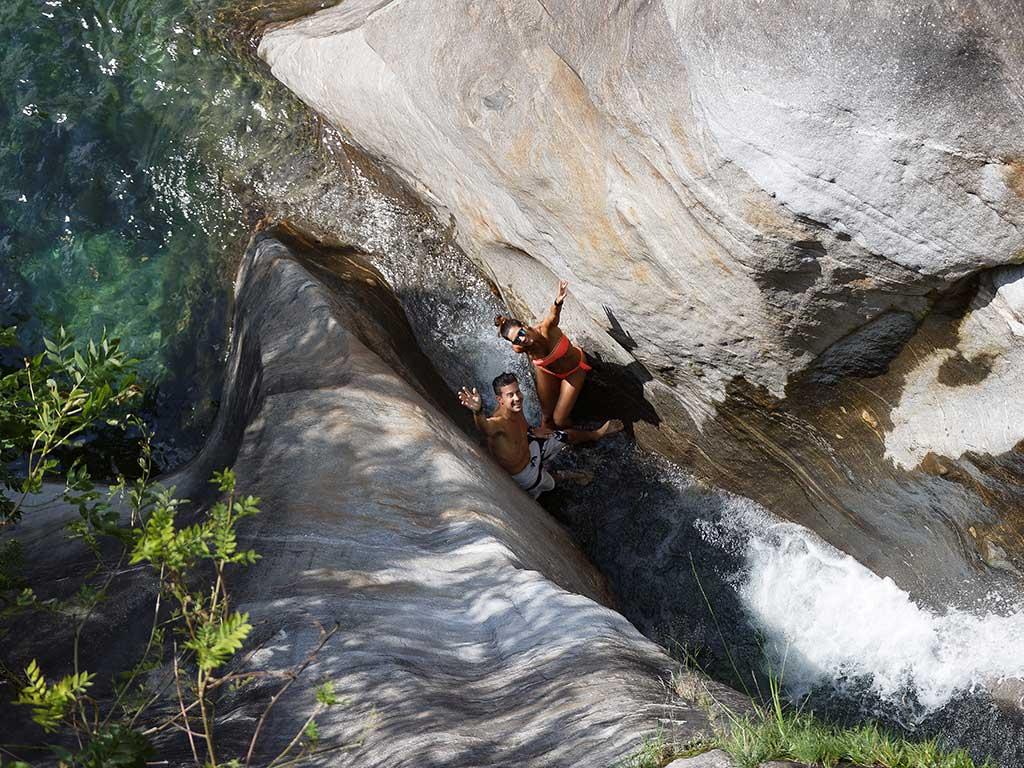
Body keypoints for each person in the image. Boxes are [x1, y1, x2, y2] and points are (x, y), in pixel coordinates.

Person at [459, 372, 622, 499]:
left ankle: (596, 434)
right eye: (510, 395)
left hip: (529, 449)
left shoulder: (516, 407)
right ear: (500, 399)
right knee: (549, 484)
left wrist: (531, 430)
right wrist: (478, 411)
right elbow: (485, 428)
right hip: (524, 474)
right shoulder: (498, 422)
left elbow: (521, 425)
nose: (517, 398)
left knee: (563, 435)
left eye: (517, 392)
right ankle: (568, 475)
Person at [494, 279, 591, 431]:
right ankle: (551, 440)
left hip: (574, 369)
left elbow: (553, 317)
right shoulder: (519, 347)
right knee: (546, 418)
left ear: (524, 325)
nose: (522, 339)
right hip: (547, 371)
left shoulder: (545, 330)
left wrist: (558, 301)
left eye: (521, 333)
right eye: (517, 339)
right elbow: (515, 343)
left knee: (559, 419)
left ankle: (579, 433)